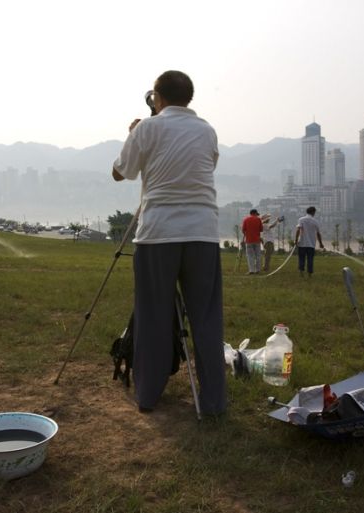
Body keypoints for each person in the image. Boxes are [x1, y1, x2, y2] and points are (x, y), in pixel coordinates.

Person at [112, 70, 226, 416]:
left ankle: (148, 394)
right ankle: (214, 401)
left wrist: (132, 135)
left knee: (153, 315)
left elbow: (121, 172)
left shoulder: (148, 128)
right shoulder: (207, 130)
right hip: (203, 232)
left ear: (157, 98)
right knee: (206, 318)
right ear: (189, 98)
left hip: (158, 233)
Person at [294, 206, 325, 277]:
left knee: (301, 258)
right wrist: (320, 243)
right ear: (313, 212)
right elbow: (318, 233)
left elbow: (298, 230)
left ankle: (301, 272)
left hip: (302, 243)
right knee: (310, 259)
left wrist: (296, 240)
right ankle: (309, 274)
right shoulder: (315, 221)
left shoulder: (301, 219)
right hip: (311, 243)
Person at [241, 209, 263, 274]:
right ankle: (258, 270)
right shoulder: (258, 219)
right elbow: (261, 229)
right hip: (257, 240)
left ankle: (251, 270)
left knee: (250, 256)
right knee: (258, 255)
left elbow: (243, 230)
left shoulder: (246, 219)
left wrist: (246, 234)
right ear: (255, 213)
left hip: (249, 240)